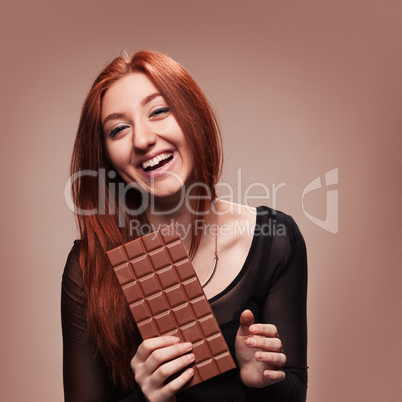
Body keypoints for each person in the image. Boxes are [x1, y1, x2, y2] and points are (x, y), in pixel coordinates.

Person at [61, 49, 308, 402]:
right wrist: (146, 397)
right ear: (106, 158)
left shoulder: (276, 240)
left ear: (193, 115)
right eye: (118, 129)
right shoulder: (89, 267)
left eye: (159, 111)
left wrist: (263, 380)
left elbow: (296, 392)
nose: (143, 139)